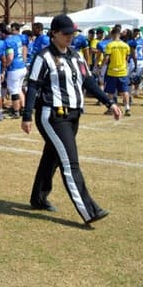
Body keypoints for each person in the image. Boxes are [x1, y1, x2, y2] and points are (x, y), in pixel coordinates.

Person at [22, 14, 121, 225]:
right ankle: (89, 210)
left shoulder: (76, 55)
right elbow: (33, 86)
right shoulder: (44, 56)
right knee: (70, 162)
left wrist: (109, 102)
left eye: (72, 33)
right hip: (53, 115)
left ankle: (39, 198)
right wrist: (26, 115)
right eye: (66, 33)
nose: (70, 37)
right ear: (54, 33)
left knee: (53, 157)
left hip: (74, 114)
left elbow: (88, 81)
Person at [100, 25, 131, 115]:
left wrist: (101, 67)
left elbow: (106, 59)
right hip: (123, 71)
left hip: (112, 71)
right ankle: (127, 108)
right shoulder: (126, 45)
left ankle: (111, 108)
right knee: (125, 91)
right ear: (119, 35)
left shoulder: (110, 45)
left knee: (110, 91)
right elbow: (127, 59)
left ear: (113, 34)